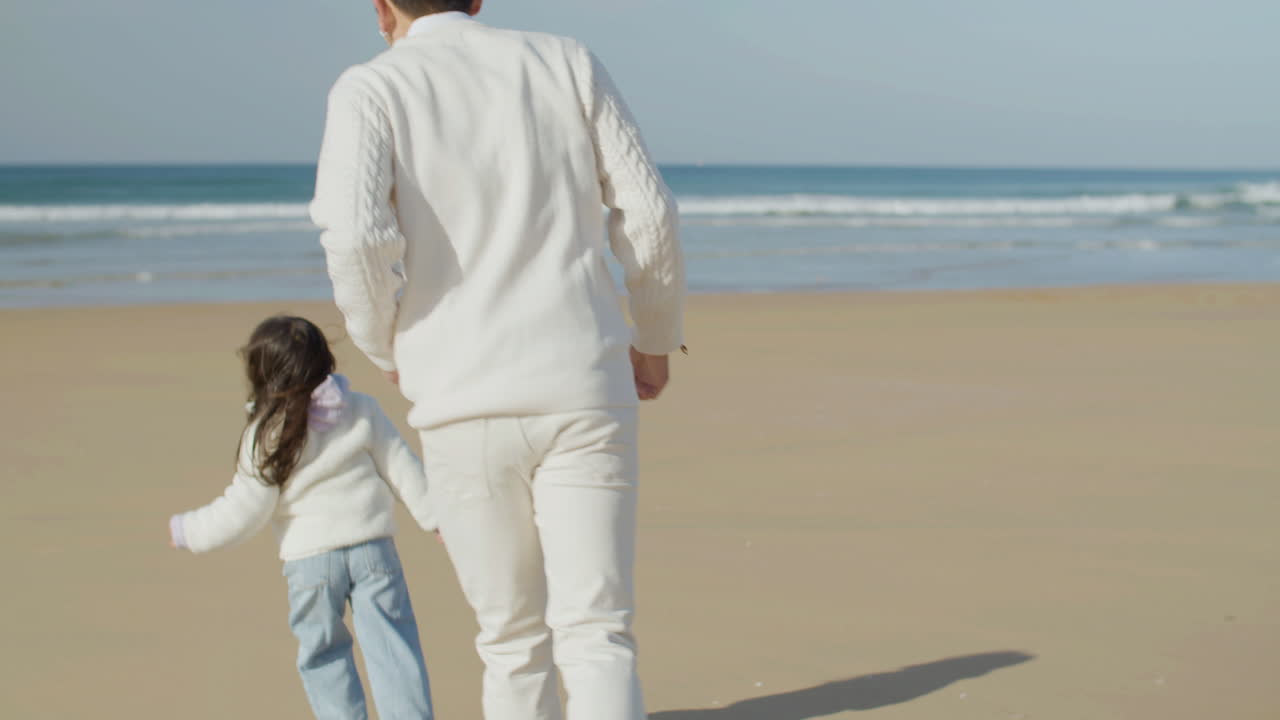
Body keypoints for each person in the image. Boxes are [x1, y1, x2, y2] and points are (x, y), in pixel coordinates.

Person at [309, 0, 686, 718]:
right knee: (597, 631)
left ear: (381, 6)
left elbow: (356, 237)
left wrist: (387, 343)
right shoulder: (565, 60)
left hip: (457, 392)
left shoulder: (371, 87)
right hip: (580, 381)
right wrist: (657, 336)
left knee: (510, 640)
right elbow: (649, 210)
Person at [167, 315, 437, 720]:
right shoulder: (360, 408)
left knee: (323, 657)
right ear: (325, 361)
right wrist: (435, 518)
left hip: (311, 564)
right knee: (394, 647)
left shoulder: (265, 433)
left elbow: (246, 509)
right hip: (373, 551)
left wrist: (191, 531)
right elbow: (401, 466)